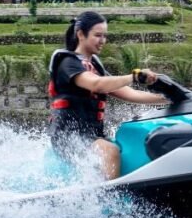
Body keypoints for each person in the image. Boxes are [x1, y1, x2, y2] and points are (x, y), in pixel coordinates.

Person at [48, 11, 168, 180]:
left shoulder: (95, 67)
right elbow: (96, 84)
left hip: (91, 136)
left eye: (105, 36)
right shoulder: (68, 63)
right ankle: (109, 195)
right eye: (98, 35)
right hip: (67, 137)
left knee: (131, 144)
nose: (103, 40)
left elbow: (129, 93)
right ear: (81, 34)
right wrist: (134, 76)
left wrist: (168, 98)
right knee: (110, 151)